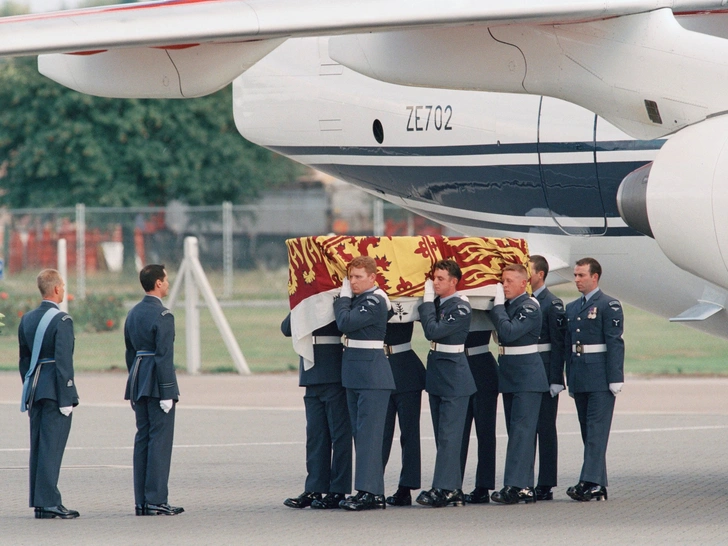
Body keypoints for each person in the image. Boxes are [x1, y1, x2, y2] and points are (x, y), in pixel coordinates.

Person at [333, 255, 395, 511]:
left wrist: (342, 298)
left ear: (373, 277)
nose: (353, 281)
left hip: (372, 375)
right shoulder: (360, 300)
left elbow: (345, 322)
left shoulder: (374, 300)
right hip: (356, 373)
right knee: (361, 436)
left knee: (369, 437)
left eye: (359, 277)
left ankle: (369, 493)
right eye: (351, 277)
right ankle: (372, 491)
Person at [18, 269, 79, 519]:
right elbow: (64, 362)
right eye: (62, 286)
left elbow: (24, 359)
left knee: (39, 447)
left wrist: (29, 386)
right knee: (52, 447)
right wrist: (68, 396)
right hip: (55, 390)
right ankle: (49, 502)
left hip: (35, 389)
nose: (64, 290)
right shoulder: (62, 320)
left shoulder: (27, 319)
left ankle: (40, 500)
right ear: (55, 289)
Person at [124, 264, 183, 516]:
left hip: (138, 378)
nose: (168, 284)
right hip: (158, 382)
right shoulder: (163, 315)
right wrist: (168, 391)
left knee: (143, 439)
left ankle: (142, 500)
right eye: (166, 280)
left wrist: (135, 379)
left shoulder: (133, 313)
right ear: (158, 283)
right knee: (159, 441)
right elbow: (164, 356)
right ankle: (156, 499)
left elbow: (129, 352)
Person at [416, 259, 475, 508]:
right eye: (434, 278)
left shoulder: (460, 307)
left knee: (450, 437)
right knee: (443, 436)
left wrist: (427, 301)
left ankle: (445, 489)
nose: (435, 282)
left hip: (455, 377)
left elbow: (433, 330)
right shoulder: (442, 304)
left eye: (441, 279)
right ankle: (451, 487)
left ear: (454, 281)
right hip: (439, 374)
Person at [564, 257, 625, 502]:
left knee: (597, 432)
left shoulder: (608, 304)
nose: (576, 279)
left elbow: (615, 342)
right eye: (575, 275)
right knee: (588, 433)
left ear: (595, 277)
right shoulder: (572, 307)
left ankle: (587, 482)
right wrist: (569, 377)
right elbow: (569, 345)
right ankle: (597, 484)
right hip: (580, 375)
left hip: (600, 376)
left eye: (581, 275)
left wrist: (615, 377)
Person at [490, 263, 548, 504]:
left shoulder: (529, 306)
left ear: (524, 283)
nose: (504, 285)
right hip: (511, 374)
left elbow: (509, 332)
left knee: (522, 433)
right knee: (515, 432)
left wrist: (495, 307)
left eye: (510, 281)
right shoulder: (511, 305)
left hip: (527, 376)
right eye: (503, 281)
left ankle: (518, 486)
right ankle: (520, 484)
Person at [281, 314, 352, 509]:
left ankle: (338, 490)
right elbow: (286, 328)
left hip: (334, 370)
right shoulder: (308, 301)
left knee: (339, 436)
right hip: (311, 374)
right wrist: (301, 304)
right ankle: (314, 487)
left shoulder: (335, 297)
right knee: (316, 436)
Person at [529, 255, 567, 501]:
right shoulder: (524, 300)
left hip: (544, 371)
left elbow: (559, 343)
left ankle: (545, 482)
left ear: (540, 274)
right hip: (526, 369)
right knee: (525, 429)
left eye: (528, 270)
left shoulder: (551, 303)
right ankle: (524, 478)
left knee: (545, 428)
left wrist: (556, 378)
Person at [381, 321, 426, 507]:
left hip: (405, 369)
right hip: (380, 367)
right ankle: (373, 487)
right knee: (380, 435)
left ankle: (406, 487)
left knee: (409, 434)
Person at [460, 310, 499, 504]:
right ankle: (452, 484)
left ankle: (483, 486)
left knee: (485, 431)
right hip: (458, 365)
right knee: (458, 432)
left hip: (482, 366)